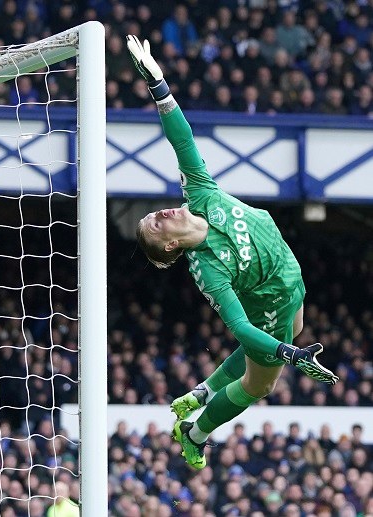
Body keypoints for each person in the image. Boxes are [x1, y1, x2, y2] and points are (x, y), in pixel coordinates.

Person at [126, 35, 338, 470]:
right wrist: (290, 355)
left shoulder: (199, 193)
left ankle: (202, 391)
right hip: (269, 303)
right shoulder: (208, 270)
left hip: (290, 275)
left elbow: (182, 141)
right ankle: (196, 431)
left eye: (153, 214)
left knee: (297, 327)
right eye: (155, 225)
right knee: (260, 386)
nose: (159, 214)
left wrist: (159, 85)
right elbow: (240, 326)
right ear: (170, 245)